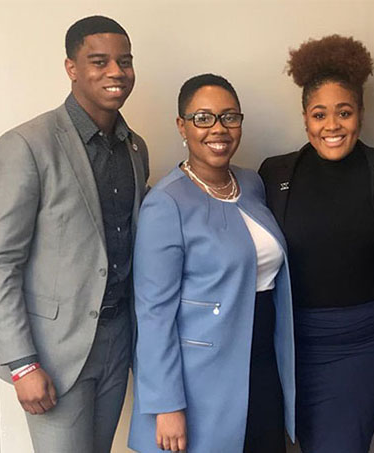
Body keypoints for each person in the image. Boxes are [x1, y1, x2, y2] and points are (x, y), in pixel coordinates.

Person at [0, 16, 149, 453]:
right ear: (71, 67)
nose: (116, 72)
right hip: (52, 352)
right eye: (99, 61)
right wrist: (21, 364)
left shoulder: (135, 147)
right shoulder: (27, 144)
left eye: (124, 62)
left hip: (117, 339)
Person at [259, 35, 374, 453]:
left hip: (364, 344)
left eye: (344, 113)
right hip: (293, 344)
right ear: (305, 118)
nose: (332, 126)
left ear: (360, 114)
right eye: (319, 114)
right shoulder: (275, 174)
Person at [128, 74, 296, 453]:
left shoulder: (252, 185)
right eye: (202, 118)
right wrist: (166, 404)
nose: (218, 129)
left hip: (261, 362)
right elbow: (153, 313)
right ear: (182, 126)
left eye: (229, 117)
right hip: (201, 379)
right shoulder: (166, 204)